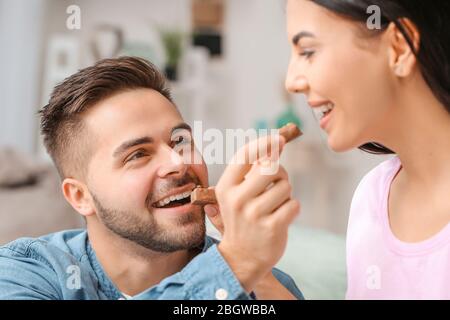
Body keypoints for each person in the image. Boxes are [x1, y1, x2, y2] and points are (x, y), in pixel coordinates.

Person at [0, 56, 302, 300]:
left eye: (180, 141)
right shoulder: (23, 273)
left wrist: (257, 277)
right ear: (81, 196)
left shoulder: (262, 286)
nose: (178, 163)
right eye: (138, 154)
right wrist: (235, 263)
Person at [284, 0, 450, 298]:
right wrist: (246, 262)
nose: (291, 82)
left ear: (399, 48)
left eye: (308, 51)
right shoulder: (371, 198)